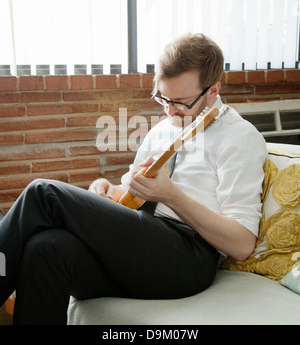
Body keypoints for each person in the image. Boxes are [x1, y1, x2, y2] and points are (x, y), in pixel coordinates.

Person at [0, 33, 267, 325]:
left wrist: (171, 195)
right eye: (163, 98)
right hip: (144, 240)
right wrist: (107, 190)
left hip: (188, 257)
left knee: (43, 193)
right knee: (46, 247)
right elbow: (130, 194)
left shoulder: (239, 137)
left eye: (181, 102)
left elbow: (242, 245)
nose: (170, 110)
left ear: (214, 89)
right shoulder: (162, 129)